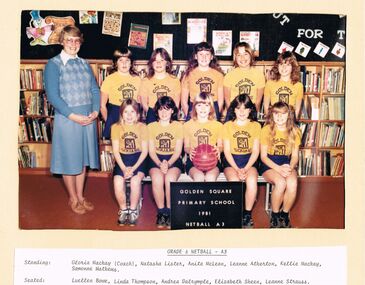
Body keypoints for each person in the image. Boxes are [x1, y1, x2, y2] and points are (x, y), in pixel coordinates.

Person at [44, 25, 100, 215]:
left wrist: (95, 111)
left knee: (82, 160)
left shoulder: (84, 63)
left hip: (87, 119)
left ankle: (81, 196)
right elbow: (53, 96)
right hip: (68, 119)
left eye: (77, 41)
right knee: (70, 160)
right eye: (69, 40)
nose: (73, 44)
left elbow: (94, 90)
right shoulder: (54, 64)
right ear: (62, 41)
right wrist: (73, 116)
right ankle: (73, 198)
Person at [260, 101, 301, 228]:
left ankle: (284, 214)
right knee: (281, 183)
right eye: (276, 114)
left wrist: (290, 167)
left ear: (289, 115)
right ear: (271, 115)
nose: (279, 117)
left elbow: (294, 156)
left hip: (286, 163)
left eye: (283, 114)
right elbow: (263, 157)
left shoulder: (295, 131)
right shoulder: (266, 130)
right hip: (270, 163)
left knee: (292, 183)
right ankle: (275, 215)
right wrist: (278, 169)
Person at [223, 94, 261, 228]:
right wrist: (237, 169)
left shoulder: (256, 126)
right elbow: (227, 152)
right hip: (232, 160)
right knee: (234, 182)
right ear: (233, 110)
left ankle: (247, 214)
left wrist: (245, 168)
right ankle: (235, 213)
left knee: (251, 181)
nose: (242, 112)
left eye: (245, 109)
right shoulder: (227, 126)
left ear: (250, 110)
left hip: (249, 160)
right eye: (239, 108)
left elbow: (256, 151)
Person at [111, 98, 148, 226]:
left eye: (132, 112)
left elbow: (144, 152)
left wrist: (133, 169)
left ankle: (132, 209)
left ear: (137, 114)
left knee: (135, 180)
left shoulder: (142, 127)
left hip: (139, 159)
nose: (129, 115)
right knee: (117, 181)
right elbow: (116, 151)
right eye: (126, 112)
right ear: (121, 114)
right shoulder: (115, 128)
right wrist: (123, 168)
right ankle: (123, 209)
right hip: (122, 159)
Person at [147, 96, 183, 228]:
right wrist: (159, 164)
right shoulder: (151, 127)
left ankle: (170, 211)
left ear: (173, 111)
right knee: (157, 179)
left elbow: (178, 150)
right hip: (155, 159)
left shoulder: (178, 126)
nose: (164, 113)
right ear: (156, 111)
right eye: (161, 109)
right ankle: (162, 212)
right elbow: (151, 151)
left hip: (173, 159)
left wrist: (167, 163)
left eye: (167, 109)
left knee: (169, 179)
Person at [100, 47, 141, 139]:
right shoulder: (109, 79)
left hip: (132, 116)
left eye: (127, 60)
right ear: (115, 63)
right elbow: (102, 105)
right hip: (115, 114)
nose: (124, 63)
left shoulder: (137, 79)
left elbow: (139, 103)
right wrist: (109, 122)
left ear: (131, 63)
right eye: (120, 60)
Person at [183, 92, 223, 181]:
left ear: (211, 108)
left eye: (206, 105)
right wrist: (190, 150)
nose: (203, 108)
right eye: (199, 105)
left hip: (213, 161)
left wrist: (218, 149)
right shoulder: (187, 125)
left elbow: (220, 146)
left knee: (210, 178)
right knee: (199, 177)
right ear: (194, 107)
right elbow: (186, 147)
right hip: (194, 160)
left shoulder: (218, 125)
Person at [181, 42, 224, 120]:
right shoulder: (188, 75)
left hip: (212, 107)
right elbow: (184, 102)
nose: (204, 58)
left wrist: (215, 114)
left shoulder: (219, 75)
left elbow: (220, 101)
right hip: (194, 107)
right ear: (195, 56)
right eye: (201, 54)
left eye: (207, 54)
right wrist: (191, 115)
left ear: (212, 57)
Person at [223, 42, 265, 119]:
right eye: (239, 55)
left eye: (245, 54)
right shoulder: (229, 75)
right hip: (234, 113)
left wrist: (252, 115)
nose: (242, 58)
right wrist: (234, 114)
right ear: (235, 57)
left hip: (250, 113)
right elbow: (227, 100)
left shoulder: (259, 75)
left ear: (251, 55)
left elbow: (258, 101)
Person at [140, 48, 181, 124]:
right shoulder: (146, 81)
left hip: (170, 115)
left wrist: (167, 114)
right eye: (155, 60)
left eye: (162, 60)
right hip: (152, 114)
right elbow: (144, 103)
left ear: (167, 63)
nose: (158, 63)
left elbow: (176, 103)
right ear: (151, 63)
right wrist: (155, 114)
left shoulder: (175, 80)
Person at [263, 51, 303, 119]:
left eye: (288, 65)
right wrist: (270, 120)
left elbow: (297, 109)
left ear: (293, 67)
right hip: (274, 120)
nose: (284, 68)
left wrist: (291, 123)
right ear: (277, 66)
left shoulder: (299, 85)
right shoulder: (269, 84)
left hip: (289, 121)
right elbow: (266, 107)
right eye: (281, 64)